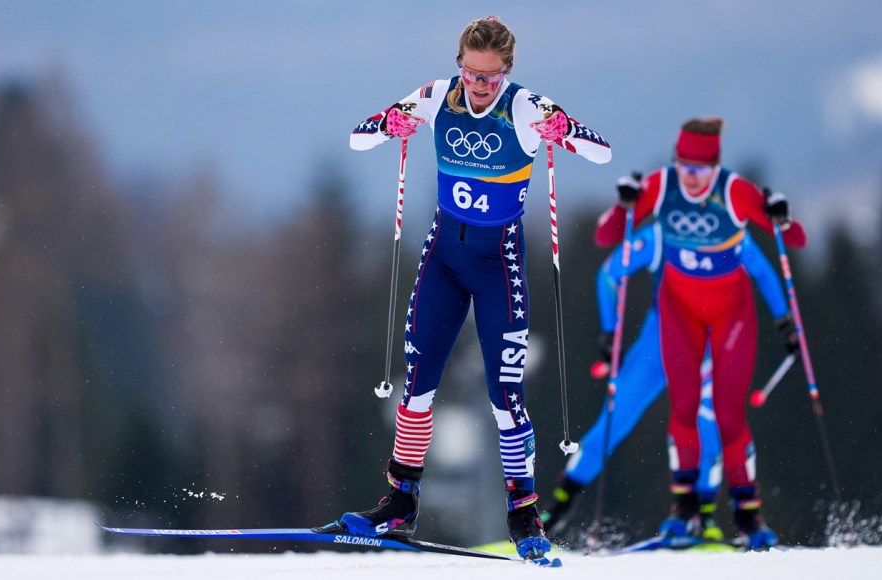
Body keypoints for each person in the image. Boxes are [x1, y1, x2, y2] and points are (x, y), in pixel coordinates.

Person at [314, 16, 611, 561]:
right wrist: (393, 124)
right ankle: (400, 501)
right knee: (418, 383)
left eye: (490, 77)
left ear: (508, 72)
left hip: (498, 264)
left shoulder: (524, 106)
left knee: (505, 395)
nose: (478, 85)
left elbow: (602, 152)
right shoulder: (435, 96)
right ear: (459, 65)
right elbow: (359, 137)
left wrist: (561, 130)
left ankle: (523, 514)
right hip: (445, 257)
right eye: (471, 73)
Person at [594, 118, 806, 549]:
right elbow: (607, 235)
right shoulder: (662, 184)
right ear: (676, 163)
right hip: (678, 312)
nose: (692, 178)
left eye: (702, 170)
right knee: (684, 408)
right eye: (686, 167)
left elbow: (794, 240)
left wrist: (782, 216)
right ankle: (684, 510)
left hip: (732, 316)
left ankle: (748, 515)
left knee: (728, 415)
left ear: (717, 167)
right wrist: (624, 205)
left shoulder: (735, 192)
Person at [540, 224, 795, 541]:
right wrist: (608, 331)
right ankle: (555, 513)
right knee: (614, 422)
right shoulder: (661, 233)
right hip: (658, 344)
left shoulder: (730, 231)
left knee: (708, 423)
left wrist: (786, 324)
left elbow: (763, 272)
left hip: (707, 342)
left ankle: (702, 517)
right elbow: (608, 274)